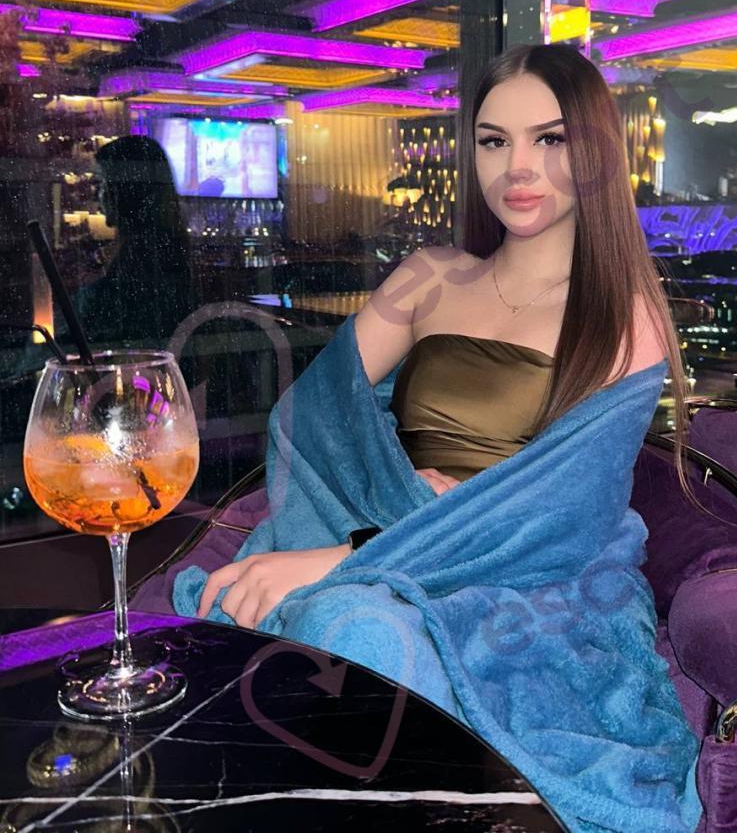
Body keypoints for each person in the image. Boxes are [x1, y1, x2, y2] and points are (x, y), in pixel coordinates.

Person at [197, 41, 699, 627]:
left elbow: (567, 516)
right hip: (385, 529)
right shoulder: (428, 277)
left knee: (353, 628)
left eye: (549, 139)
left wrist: (362, 551)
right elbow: (309, 417)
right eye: (494, 141)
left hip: (521, 587)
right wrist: (396, 489)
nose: (517, 166)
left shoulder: (624, 316)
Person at [74, 135, 197, 347]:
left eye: (102, 183)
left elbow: (120, 335)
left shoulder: (147, 259)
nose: (97, 195)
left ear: (126, 190)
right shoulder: (164, 249)